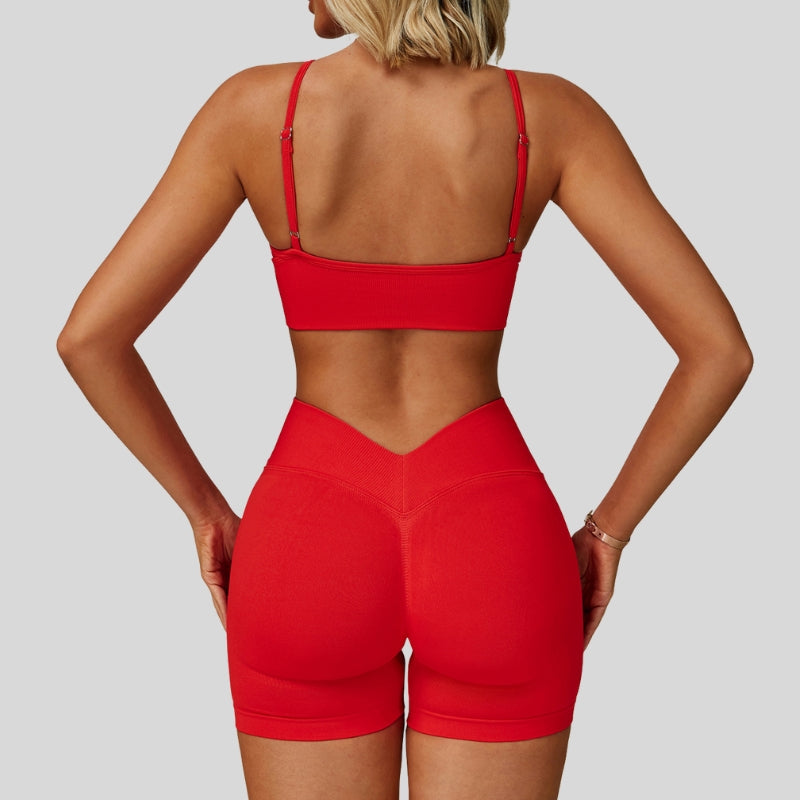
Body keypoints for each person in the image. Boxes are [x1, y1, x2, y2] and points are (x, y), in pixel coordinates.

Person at [56, 1, 753, 797]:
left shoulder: (253, 111)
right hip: (494, 539)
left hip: (308, 535)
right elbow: (718, 352)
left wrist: (204, 510)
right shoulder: (550, 116)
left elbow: (90, 339)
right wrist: (608, 531)